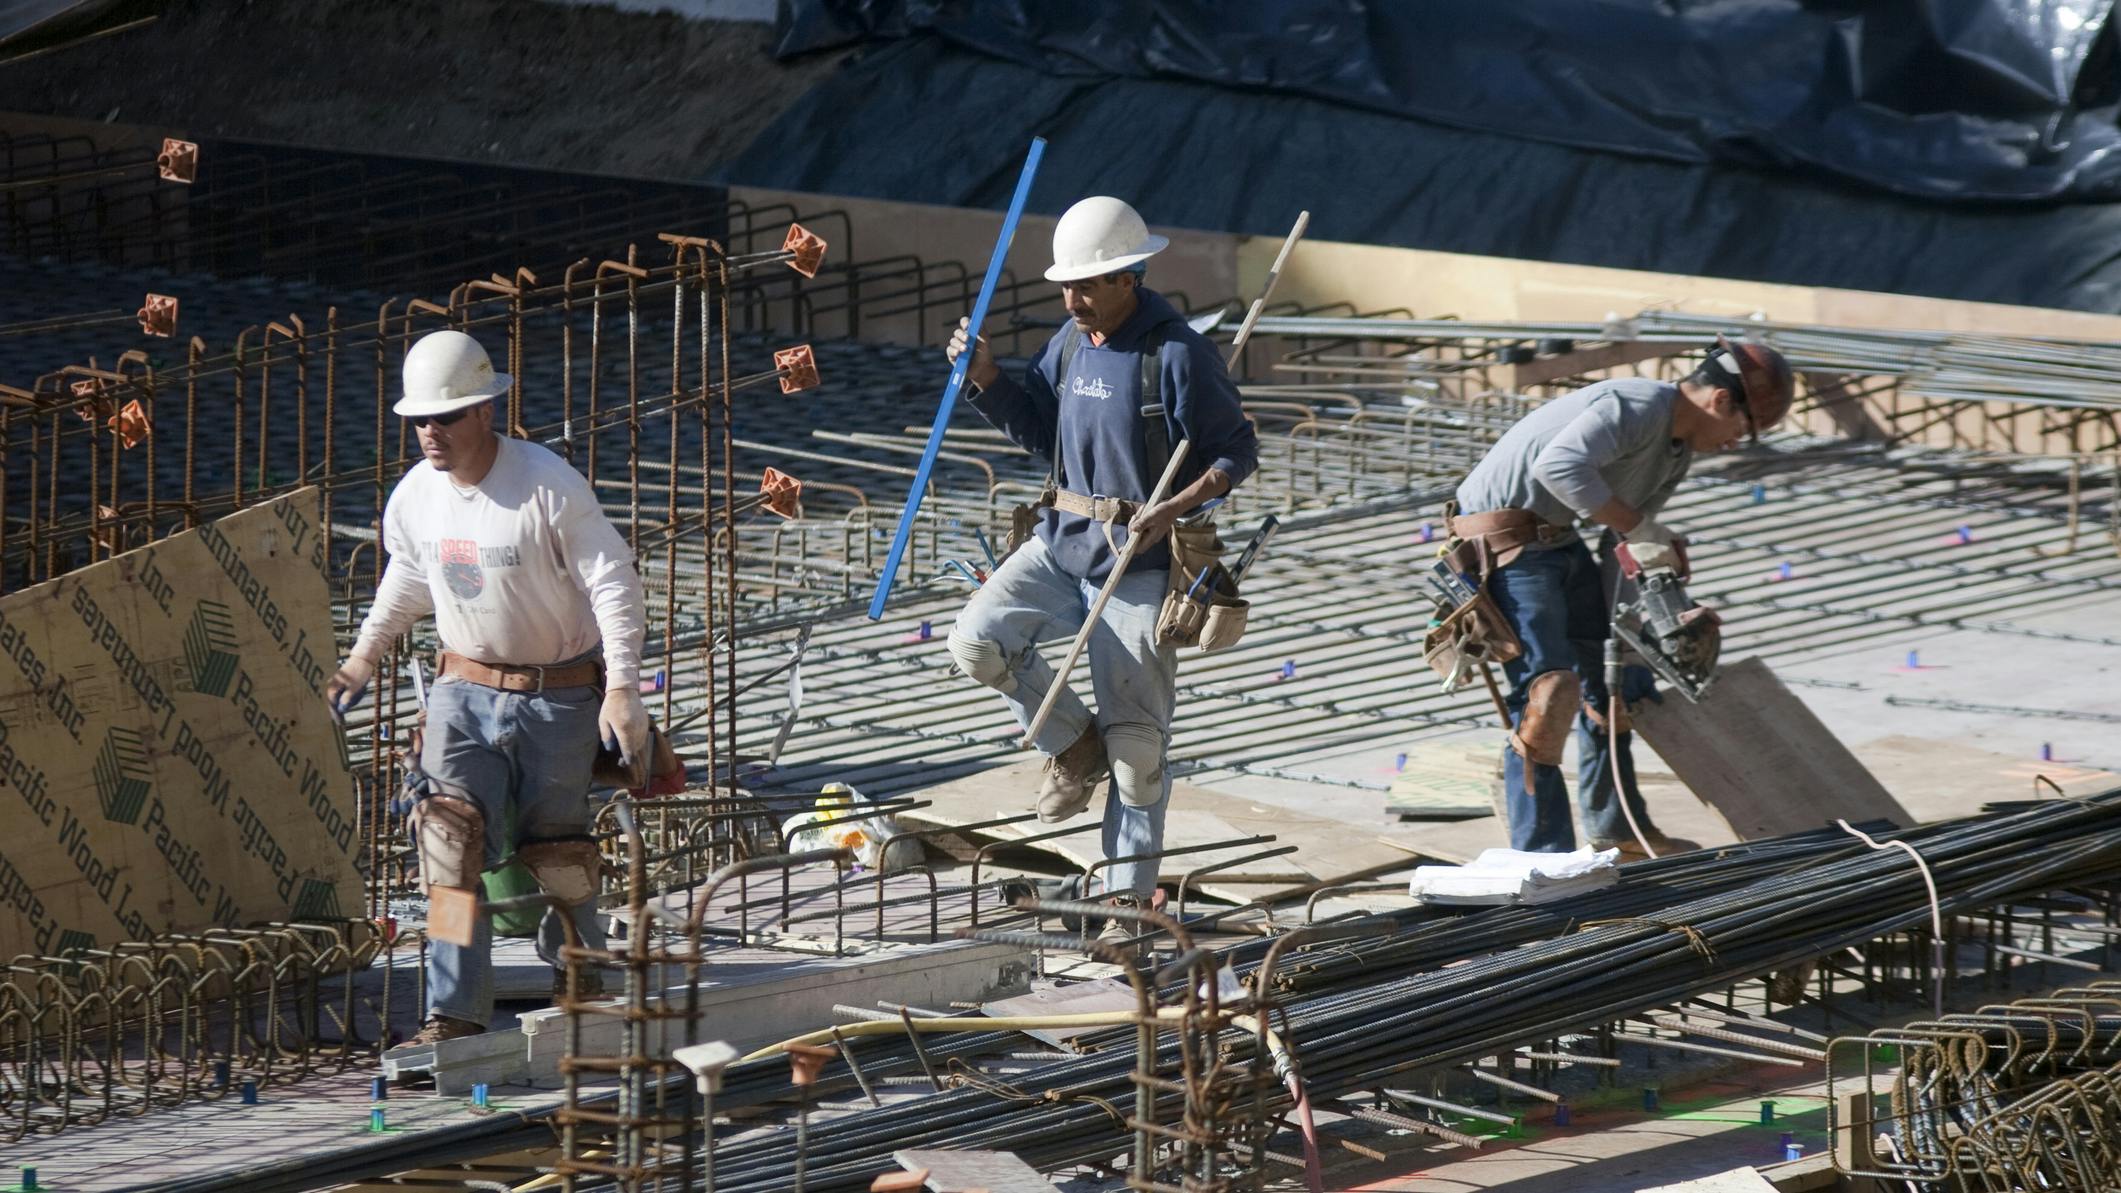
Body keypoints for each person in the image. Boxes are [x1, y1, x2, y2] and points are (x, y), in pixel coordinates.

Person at [944, 196, 1258, 937]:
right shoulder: (1070, 342)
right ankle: (1072, 744)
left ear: (1130, 275)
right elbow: (1044, 435)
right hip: (1060, 544)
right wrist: (987, 379)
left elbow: (1235, 450)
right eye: (1067, 286)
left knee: (1138, 749)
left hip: (1140, 562)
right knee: (976, 642)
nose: (1072, 298)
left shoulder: (1175, 353)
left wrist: (1172, 506)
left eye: (1087, 285)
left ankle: (1127, 904)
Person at [326, 329, 651, 1044]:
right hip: (462, 690)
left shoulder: (545, 484)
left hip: (557, 694)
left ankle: (578, 968)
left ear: (484, 413)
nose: (429, 433)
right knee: (446, 850)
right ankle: (452, 1008)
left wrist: (622, 688)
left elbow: (612, 583)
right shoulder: (416, 497)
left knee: (557, 850)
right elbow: (407, 578)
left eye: (444, 417)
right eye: (419, 421)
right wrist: (362, 658)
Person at [1446, 336, 1794, 855]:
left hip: (1556, 539)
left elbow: (1621, 543)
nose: (1734, 444)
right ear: (1721, 402)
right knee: (1550, 693)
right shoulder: (1636, 406)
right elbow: (1559, 469)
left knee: (1616, 684)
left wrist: (1640, 629)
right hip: (1503, 541)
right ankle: (1542, 856)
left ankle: (1618, 829)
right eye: (1742, 431)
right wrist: (1641, 527)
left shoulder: (1674, 456)